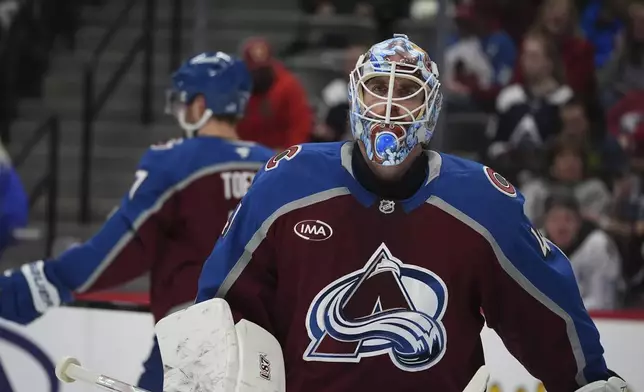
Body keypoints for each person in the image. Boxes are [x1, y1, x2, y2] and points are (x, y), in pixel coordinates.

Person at [169, 35, 628, 392]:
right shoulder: (286, 183)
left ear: (430, 109)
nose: (388, 108)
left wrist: (589, 380)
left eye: (406, 91)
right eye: (375, 89)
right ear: (355, 100)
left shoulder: (484, 205)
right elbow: (220, 309)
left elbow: (546, 317)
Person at [0, 51, 274, 391]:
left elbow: (119, 250)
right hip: (267, 348)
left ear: (200, 104)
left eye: (183, 102)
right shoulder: (273, 165)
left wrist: (38, 286)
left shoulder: (176, 162)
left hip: (193, 340)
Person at [236, 36, 314, 151]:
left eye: (262, 69)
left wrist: (289, 155)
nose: (259, 74)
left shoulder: (288, 85)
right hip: (245, 153)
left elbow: (300, 126)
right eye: (255, 70)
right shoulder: (237, 88)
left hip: (280, 155)